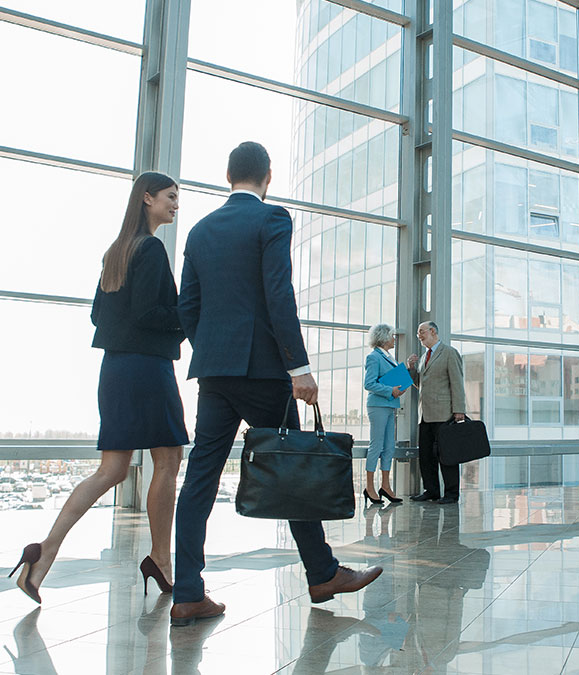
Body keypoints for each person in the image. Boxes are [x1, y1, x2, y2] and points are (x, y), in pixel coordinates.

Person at [169, 141, 381, 626]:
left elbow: (188, 307)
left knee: (200, 478)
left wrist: (215, 349)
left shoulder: (200, 230)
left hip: (216, 372)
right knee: (291, 466)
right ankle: (323, 572)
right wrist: (297, 367)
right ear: (267, 176)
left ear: (227, 175)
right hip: (265, 371)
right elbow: (278, 292)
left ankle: (187, 591)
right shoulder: (272, 219)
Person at [10, 172, 187, 603]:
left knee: (112, 470)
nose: (175, 204)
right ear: (146, 198)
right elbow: (149, 312)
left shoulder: (116, 252)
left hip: (115, 370)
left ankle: (43, 553)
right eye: (170, 196)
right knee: (168, 460)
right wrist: (188, 314)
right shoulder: (151, 249)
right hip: (147, 370)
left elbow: (97, 317)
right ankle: (161, 560)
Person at [405, 321, 466, 505]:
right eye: (418, 334)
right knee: (426, 455)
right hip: (425, 414)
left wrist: (459, 410)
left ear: (433, 331)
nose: (419, 336)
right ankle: (431, 491)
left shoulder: (449, 353)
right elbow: (420, 385)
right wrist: (411, 368)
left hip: (444, 413)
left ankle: (451, 494)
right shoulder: (424, 357)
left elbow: (457, 382)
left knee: (447, 455)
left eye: (421, 332)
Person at [363, 323, 405, 506]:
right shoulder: (373, 357)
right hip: (378, 406)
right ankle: (370, 486)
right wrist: (390, 390)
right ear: (383, 337)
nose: (394, 339)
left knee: (389, 446)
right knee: (377, 445)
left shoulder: (389, 357)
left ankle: (386, 486)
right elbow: (369, 384)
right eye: (392, 336)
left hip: (390, 405)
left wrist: (398, 388)